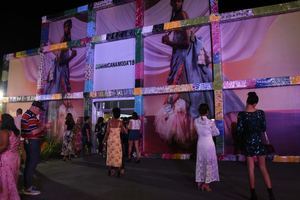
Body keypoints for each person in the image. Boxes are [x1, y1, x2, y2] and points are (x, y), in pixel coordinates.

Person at [237, 92, 275, 200]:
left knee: (251, 168)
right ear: (255, 104)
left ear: (247, 101)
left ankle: (253, 195)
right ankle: (271, 194)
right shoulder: (260, 113)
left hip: (248, 143)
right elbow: (263, 128)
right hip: (259, 142)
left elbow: (239, 131)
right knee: (263, 167)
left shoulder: (242, 115)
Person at [21, 101, 47, 196]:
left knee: (29, 165)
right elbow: (33, 132)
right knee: (31, 165)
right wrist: (44, 127)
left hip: (30, 142)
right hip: (32, 143)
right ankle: (28, 188)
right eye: (39, 110)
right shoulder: (30, 116)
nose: (39, 112)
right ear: (35, 108)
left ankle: (28, 186)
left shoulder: (28, 115)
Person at [46, 19, 77, 94]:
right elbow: (60, 62)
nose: (68, 28)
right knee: (56, 92)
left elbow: (64, 62)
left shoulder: (69, 39)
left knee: (65, 91)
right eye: (66, 26)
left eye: (69, 26)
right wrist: (72, 56)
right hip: (59, 70)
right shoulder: (64, 40)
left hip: (63, 69)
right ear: (64, 28)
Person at [194, 104, 220, 191]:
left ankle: (200, 181)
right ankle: (206, 184)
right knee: (208, 163)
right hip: (209, 144)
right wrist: (212, 127)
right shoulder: (210, 122)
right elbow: (217, 133)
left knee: (201, 162)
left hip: (200, 143)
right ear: (207, 112)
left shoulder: (195, 121)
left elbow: (198, 131)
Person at [0, 114, 21, 200]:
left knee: (5, 180)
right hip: (15, 157)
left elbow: (4, 146)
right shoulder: (16, 132)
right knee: (12, 179)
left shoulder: (5, 131)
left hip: (6, 158)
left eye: (1, 120)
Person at [103, 107, 127, 177]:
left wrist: (104, 140)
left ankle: (110, 170)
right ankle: (119, 170)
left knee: (110, 155)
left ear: (113, 113)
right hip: (117, 141)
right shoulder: (120, 122)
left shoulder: (109, 122)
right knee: (118, 155)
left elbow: (107, 132)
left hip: (110, 141)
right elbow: (125, 131)